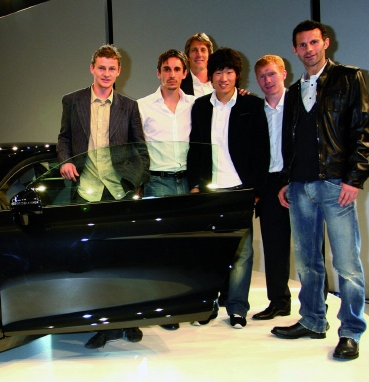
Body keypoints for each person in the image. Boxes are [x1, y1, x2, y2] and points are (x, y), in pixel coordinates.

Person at [271, 20, 369, 360]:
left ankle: (351, 332)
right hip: (300, 187)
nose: (309, 49)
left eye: (314, 42)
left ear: (325, 43)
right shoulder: (292, 92)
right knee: (307, 262)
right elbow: (288, 141)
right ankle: (313, 320)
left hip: (335, 184)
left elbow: (363, 130)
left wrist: (353, 178)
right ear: (294, 50)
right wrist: (286, 180)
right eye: (302, 44)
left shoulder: (349, 78)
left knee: (347, 264)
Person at [56, 44, 150, 349]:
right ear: (92, 68)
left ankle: (129, 319)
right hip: (85, 191)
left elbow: (140, 149)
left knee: (123, 259)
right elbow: (64, 138)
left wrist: (135, 182)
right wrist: (65, 160)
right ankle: (102, 323)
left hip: (117, 191)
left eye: (111, 68)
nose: (106, 73)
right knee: (92, 262)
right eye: (101, 68)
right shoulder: (72, 101)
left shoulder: (128, 106)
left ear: (119, 71)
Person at [187, 47, 270, 329]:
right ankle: (207, 305)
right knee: (209, 251)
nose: (224, 78)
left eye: (229, 72)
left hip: (240, 190)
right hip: (209, 190)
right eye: (219, 72)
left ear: (237, 75)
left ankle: (237, 308)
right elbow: (194, 149)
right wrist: (194, 185)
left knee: (242, 252)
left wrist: (256, 189)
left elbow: (261, 151)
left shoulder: (252, 105)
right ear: (210, 76)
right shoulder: (200, 106)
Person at [137, 49, 195, 331]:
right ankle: (164, 309)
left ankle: (187, 304)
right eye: (166, 69)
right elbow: (135, 147)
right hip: (157, 181)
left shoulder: (196, 104)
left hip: (188, 183)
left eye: (177, 69)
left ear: (185, 73)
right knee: (160, 248)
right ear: (158, 72)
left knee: (187, 247)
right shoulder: (143, 106)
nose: (172, 74)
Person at [251, 55, 292, 320]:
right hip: (268, 184)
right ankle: (279, 302)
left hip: (298, 181)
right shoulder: (256, 110)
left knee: (310, 248)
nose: (268, 80)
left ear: (283, 74)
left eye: (272, 74)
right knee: (274, 247)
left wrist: (292, 181)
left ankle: (316, 305)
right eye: (262, 76)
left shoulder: (299, 104)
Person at [181, 32, 214, 97]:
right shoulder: (180, 87)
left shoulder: (220, 83)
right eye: (194, 50)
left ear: (209, 55)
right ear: (188, 56)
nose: (199, 54)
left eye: (203, 50)